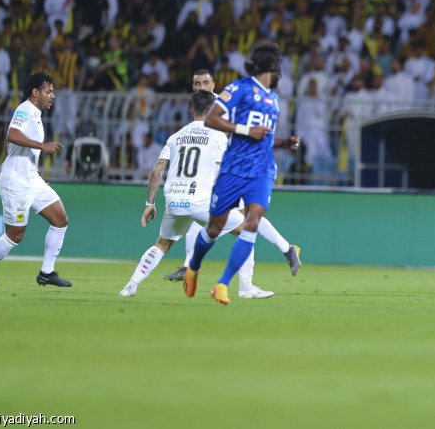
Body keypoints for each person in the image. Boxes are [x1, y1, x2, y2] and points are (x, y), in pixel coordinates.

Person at [120, 91, 273, 298]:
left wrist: (150, 204)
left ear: (191, 111)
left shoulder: (176, 137)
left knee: (162, 244)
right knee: (246, 231)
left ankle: (130, 286)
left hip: (174, 201)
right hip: (202, 202)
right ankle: (246, 287)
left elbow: (157, 171)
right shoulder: (218, 137)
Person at [183, 42, 301, 305]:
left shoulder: (274, 99)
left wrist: (283, 143)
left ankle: (223, 284)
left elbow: (263, 137)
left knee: (252, 221)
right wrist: (246, 130)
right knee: (213, 229)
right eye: (279, 65)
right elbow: (211, 119)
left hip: (262, 170)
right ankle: (194, 266)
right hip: (234, 168)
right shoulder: (238, 88)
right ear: (272, 66)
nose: (281, 71)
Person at [0, 72, 72, 287]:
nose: (53, 96)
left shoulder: (36, 114)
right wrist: (42, 146)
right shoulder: (25, 109)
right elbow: (11, 135)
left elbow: (11, 147)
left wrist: (32, 173)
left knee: (60, 220)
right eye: (48, 91)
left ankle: (47, 273)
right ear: (35, 92)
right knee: (15, 236)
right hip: (15, 183)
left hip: (31, 179)